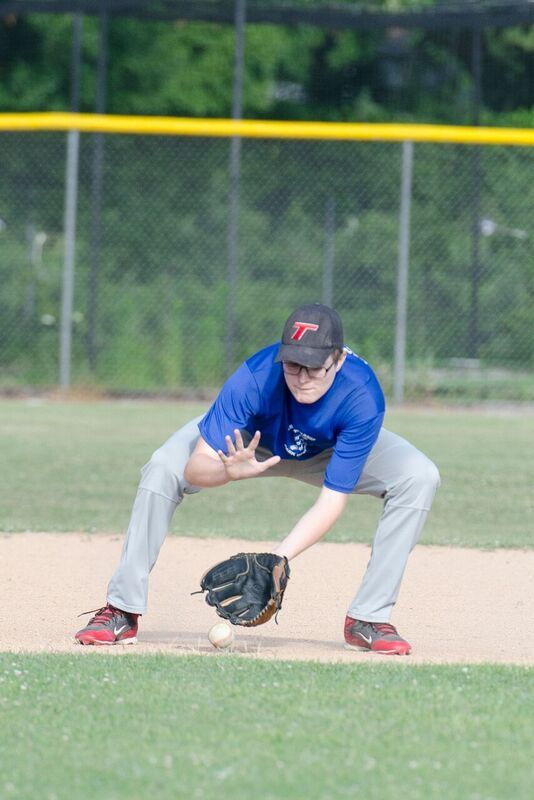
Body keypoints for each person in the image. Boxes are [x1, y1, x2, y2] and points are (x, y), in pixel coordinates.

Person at [75, 303, 440, 655]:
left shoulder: (361, 395)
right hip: (248, 446)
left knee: (418, 475)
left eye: (314, 368)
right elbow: (193, 468)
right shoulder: (256, 377)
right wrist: (227, 471)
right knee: (160, 467)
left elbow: (332, 501)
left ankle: (368, 619)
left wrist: (276, 559)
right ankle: (121, 610)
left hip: (329, 450)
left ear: (339, 359)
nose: (301, 378)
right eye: (294, 365)